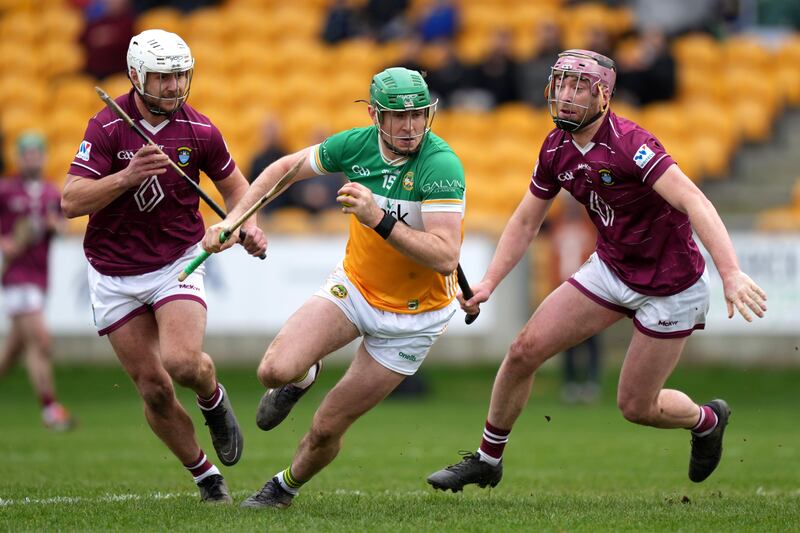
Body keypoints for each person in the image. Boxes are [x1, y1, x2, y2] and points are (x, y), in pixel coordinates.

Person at [426, 49, 767, 492]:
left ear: (604, 96)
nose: (566, 96)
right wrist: (489, 282)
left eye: (579, 87)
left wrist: (731, 272)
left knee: (636, 407)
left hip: (671, 286)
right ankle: (488, 460)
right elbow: (527, 220)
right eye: (561, 84)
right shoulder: (555, 146)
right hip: (611, 269)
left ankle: (706, 420)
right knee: (523, 351)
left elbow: (694, 201)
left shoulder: (632, 144)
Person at [201, 67, 465, 508]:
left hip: (414, 321)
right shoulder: (355, 145)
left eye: (418, 114)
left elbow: (445, 256)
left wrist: (377, 218)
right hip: (355, 288)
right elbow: (284, 168)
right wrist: (235, 220)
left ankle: (282, 487)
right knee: (273, 372)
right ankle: (305, 374)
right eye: (398, 117)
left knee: (326, 428)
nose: (410, 126)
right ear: (375, 116)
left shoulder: (440, 164)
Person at [61, 29, 267, 503]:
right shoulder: (107, 127)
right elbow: (70, 202)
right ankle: (205, 475)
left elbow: (239, 190)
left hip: (177, 260)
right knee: (153, 388)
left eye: (180, 76)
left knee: (180, 361)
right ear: (137, 75)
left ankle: (213, 399)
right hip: (112, 273)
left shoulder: (200, 130)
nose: (174, 87)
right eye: (163, 77)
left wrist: (243, 225)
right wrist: (126, 176)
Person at [0, 132, 74, 431]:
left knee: (14, 349)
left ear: (43, 157)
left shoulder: (50, 193)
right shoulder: (6, 190)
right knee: (41, 340)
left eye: (36, 153)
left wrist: (55, 226)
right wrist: (4, 242)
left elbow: (65, 229)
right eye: (26, 154)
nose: (32, 159)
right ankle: (50, 409)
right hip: (15, 275)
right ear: (19, 158)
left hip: (40, 276)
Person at [550, 196, 602, 404]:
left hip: (589, 289)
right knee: (567, 340)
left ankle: (591, 382)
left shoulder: (589, 227)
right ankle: (570, 383)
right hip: (564, 288)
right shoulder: (559, 226)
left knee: (591, 339)